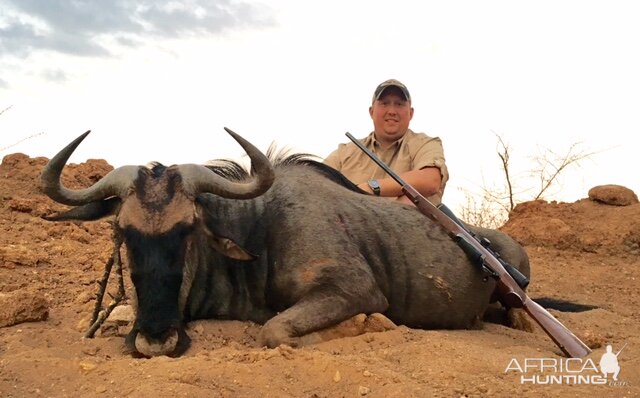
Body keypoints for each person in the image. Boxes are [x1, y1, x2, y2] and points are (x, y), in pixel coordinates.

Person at [324, 79, 449, 205]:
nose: (392, 111)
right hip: (346, 223)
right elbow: (317, 183)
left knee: (412, 201)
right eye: (384, 103)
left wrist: (370, 187)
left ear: (411, 113)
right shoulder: (344, 153)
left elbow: (430, 180)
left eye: (399, 104)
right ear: (371, 112)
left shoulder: (426, 144)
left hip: (405, 223)